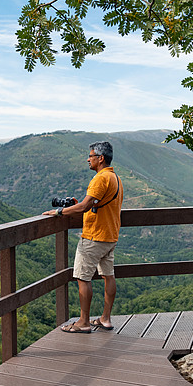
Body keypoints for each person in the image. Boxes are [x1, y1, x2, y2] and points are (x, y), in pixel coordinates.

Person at [43, 141, 123, 333]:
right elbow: (94, 204)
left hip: (94, 236)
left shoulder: (100, 179)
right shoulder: (115, 178)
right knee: (108, 275)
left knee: (82, 278)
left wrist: (60, 212)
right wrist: (81, 206)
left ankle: (83, 322)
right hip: (110, 235)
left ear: (100, 158)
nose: (88, 159)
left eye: (91, 156)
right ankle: (105, 319)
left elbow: (84, 206)